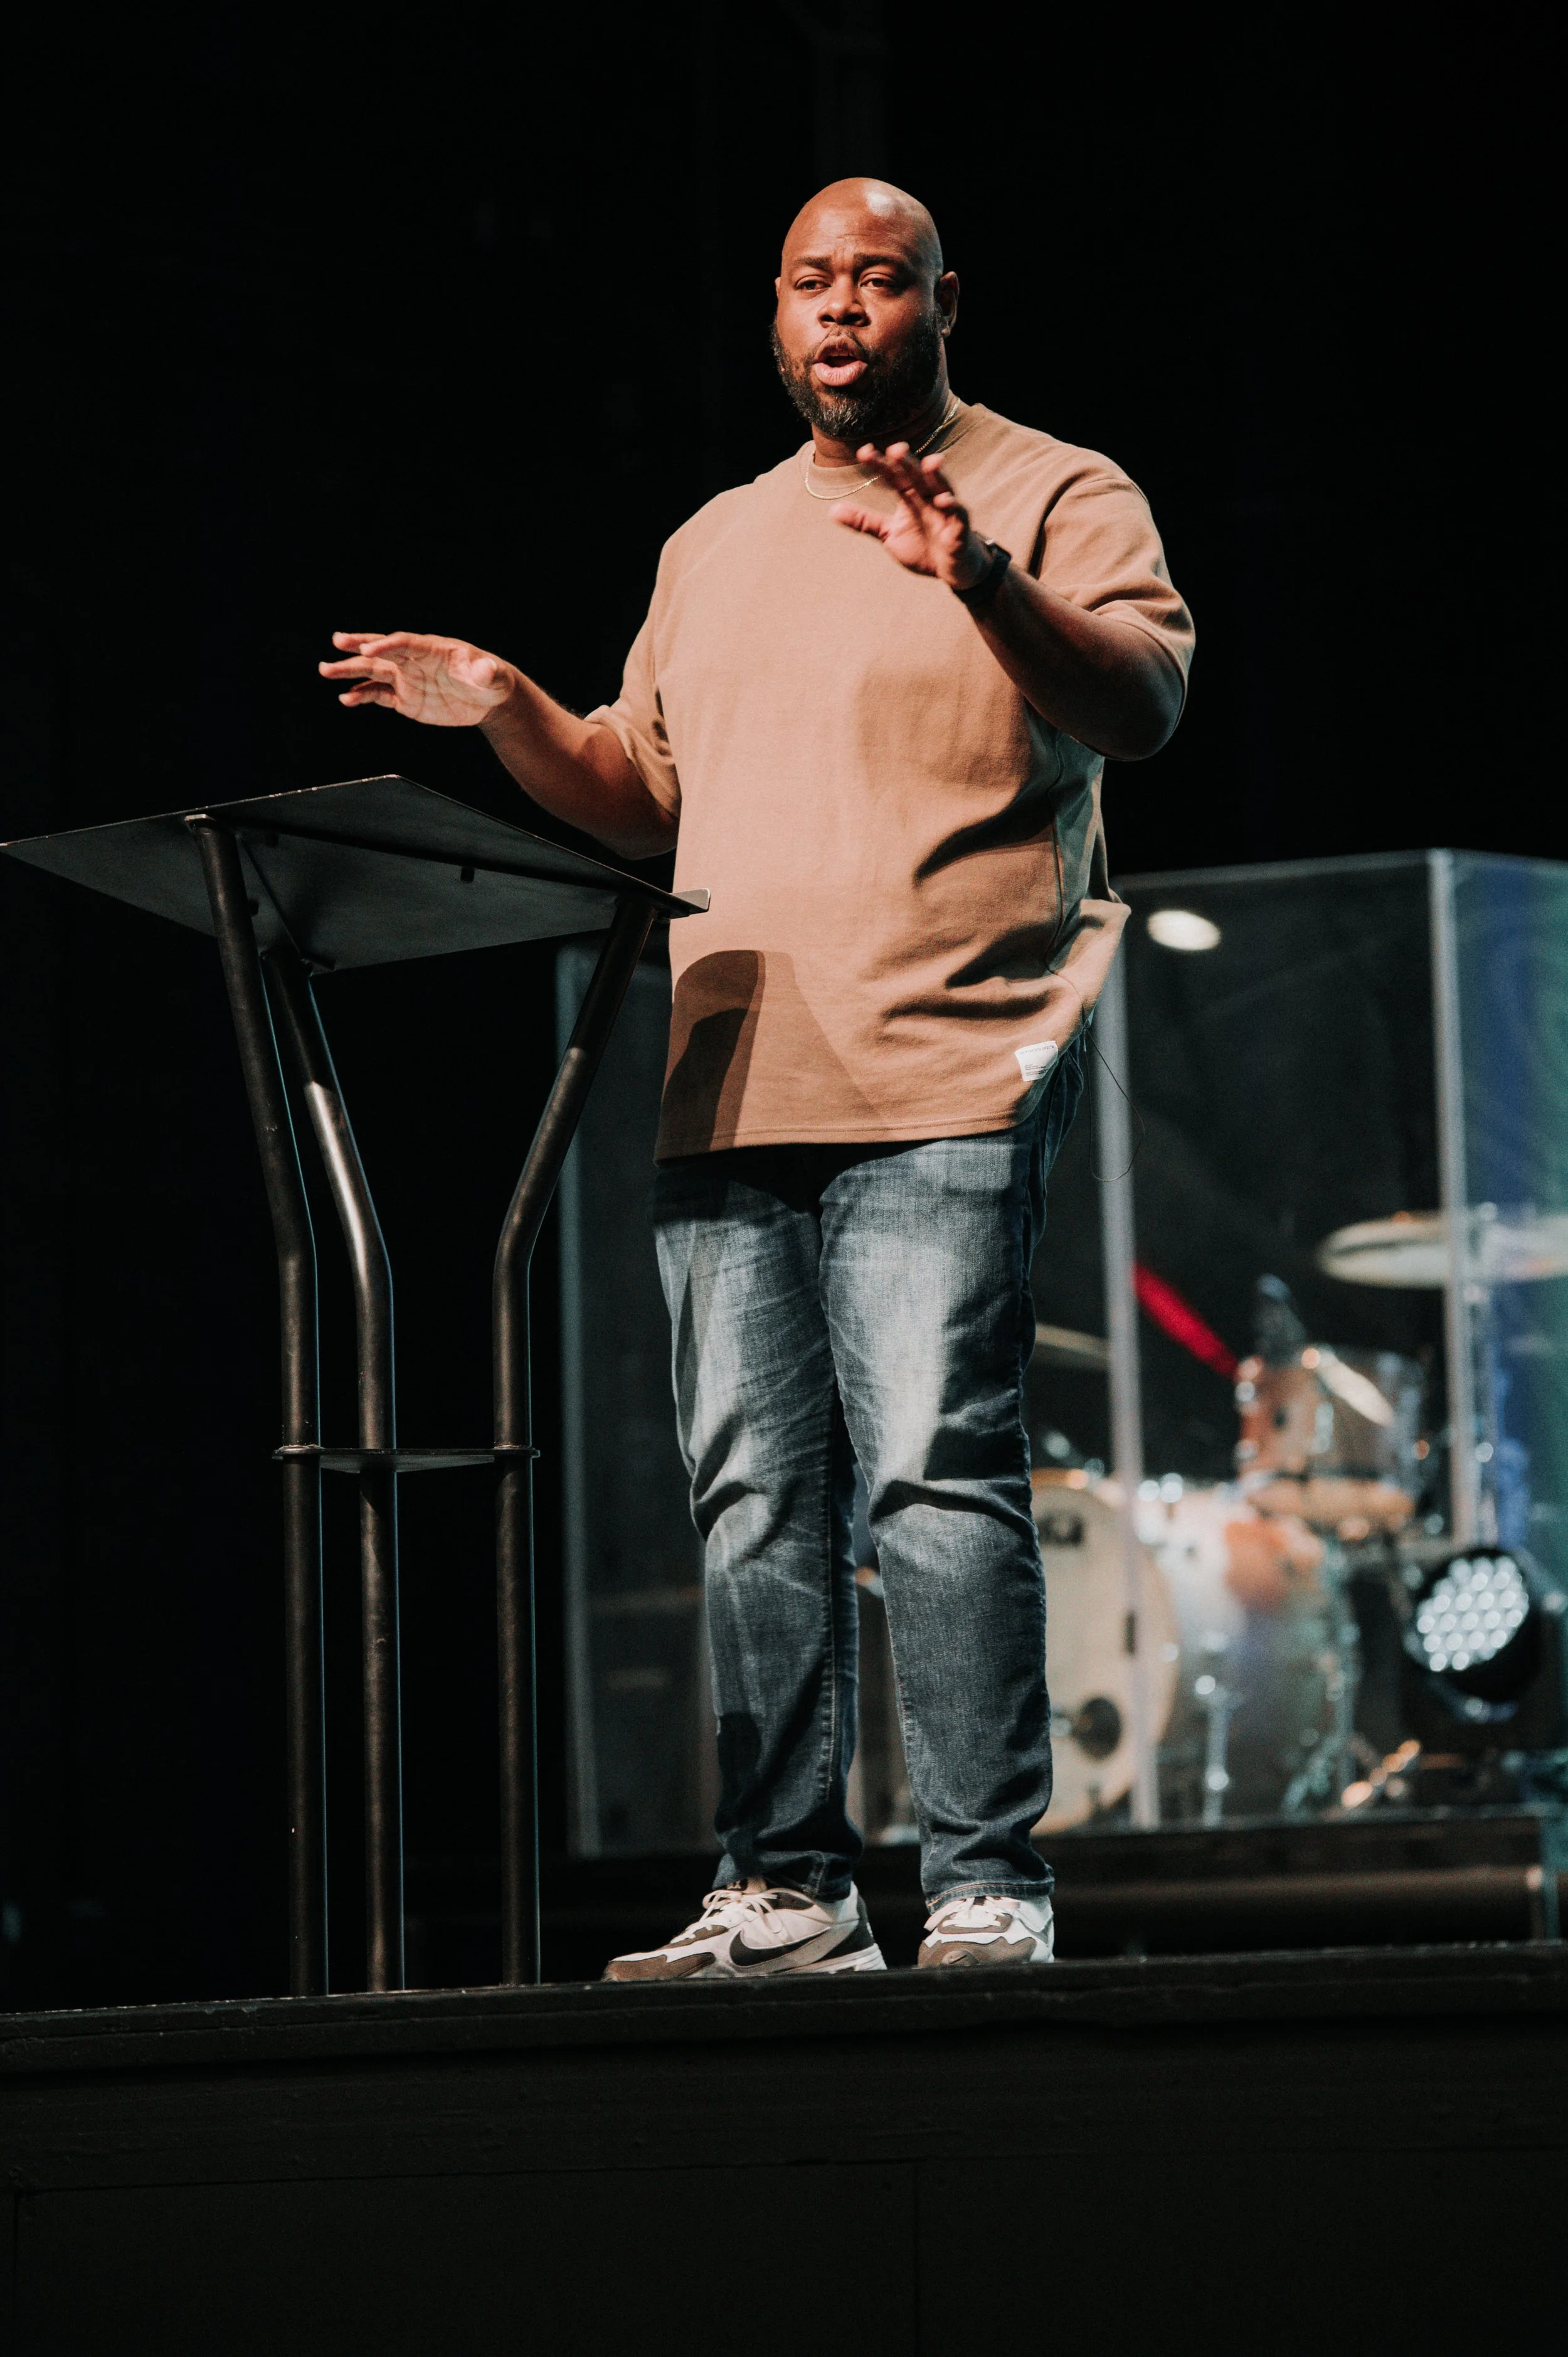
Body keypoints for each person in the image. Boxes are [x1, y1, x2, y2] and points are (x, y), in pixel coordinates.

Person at [320, 178, 1193, 1976]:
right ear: (776, 315)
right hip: (731, 1072)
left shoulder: (1053, 489)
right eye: (811, 283)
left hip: (947, 1049)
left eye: (879, 280)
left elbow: (1139, 706)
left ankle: (984, 1882)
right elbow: (641, 794)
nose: (842, 311)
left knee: (935, 1474)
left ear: (947, 301)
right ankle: (786, 1883)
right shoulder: (710, 541)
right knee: (748, 1487)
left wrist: (982, 578)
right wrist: (504, 713)